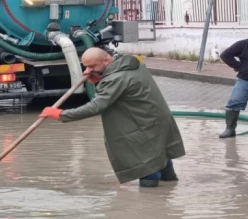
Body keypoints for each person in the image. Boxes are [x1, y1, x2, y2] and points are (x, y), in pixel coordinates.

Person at [39, 47, 186, 187]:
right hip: (157, 120)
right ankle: (169, 189)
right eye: (86, 67)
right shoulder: (131, 64)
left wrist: (60, 114)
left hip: (143, 125)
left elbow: (95, 107)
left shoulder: (116, 78)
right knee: (160, 154)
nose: (87, 71)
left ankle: (150, 200)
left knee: (146, 164)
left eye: (92, 67)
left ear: (106, 61)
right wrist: (99, 76)